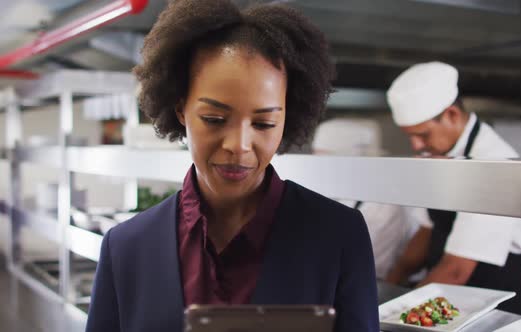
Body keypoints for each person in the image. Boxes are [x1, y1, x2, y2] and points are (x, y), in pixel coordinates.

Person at [85, 1, 379, 331]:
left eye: (264, 123)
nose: (238, 145)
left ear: (288, 117)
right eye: (214, 119)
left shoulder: (338, 236)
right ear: (181, 108)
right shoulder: (126, 247)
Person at [384, 61, 521, 315]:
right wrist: (390, 283)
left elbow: (456, 269)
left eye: (422, 135)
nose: (416, 146)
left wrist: (398, 314)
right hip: (445, 288)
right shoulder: (438, 155)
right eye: (409, 136)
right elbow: (426, 230)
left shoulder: (492, 162)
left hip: (494, 290)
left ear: (452, 115)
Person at [312, 118, 419, 280]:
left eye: (326, 159)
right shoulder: (325, 192)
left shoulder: (383, 206)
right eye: (315, 158)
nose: (318, 168)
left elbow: (371, 270)